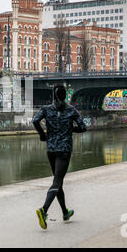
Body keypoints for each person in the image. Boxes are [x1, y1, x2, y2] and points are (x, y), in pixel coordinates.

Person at [32, 84, 87, 229]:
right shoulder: (71, 110)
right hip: (64, 150)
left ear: (53, 95)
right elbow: (83, 127)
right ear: (65, 95)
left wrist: (42, 134)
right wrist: (70, 129)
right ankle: (43, 210)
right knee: (57, 181)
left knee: (58, 182)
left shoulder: (46, 109)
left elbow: (35, 121)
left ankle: (64, 212)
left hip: (51, 149)